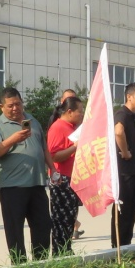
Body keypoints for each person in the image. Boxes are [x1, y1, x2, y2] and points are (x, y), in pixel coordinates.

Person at [0, 86, 52, 262]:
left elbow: (44, 148)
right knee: (14, 230)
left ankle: (41, 263)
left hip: (37, 184)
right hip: (12, 187)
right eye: (10, 105)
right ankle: (19, 266)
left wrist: (53, 168)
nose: (15, 108)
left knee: (43, 225)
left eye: (18, 104)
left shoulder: (32, 120)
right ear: (1, 107)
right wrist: (12, 140)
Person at [47, 95, 84, 253]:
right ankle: (60, 252)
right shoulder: (58, 127)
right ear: (69, 111)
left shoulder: (71, 127)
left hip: (72, 179)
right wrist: (75, 147)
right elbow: (53, 156)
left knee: (69, 220)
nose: (81, 114)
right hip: (61, 180)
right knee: (61, 221)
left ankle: (66, 249)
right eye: (80, 111)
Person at [112, 82, 135, 247]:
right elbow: (118, 132)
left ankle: (125, 246)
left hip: (132, 173)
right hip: (124, 174)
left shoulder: (131, 117)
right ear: (129, 96)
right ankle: (117, 248)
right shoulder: (122, 114)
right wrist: (125, 152)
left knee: (131, 214)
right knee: (123, 214)